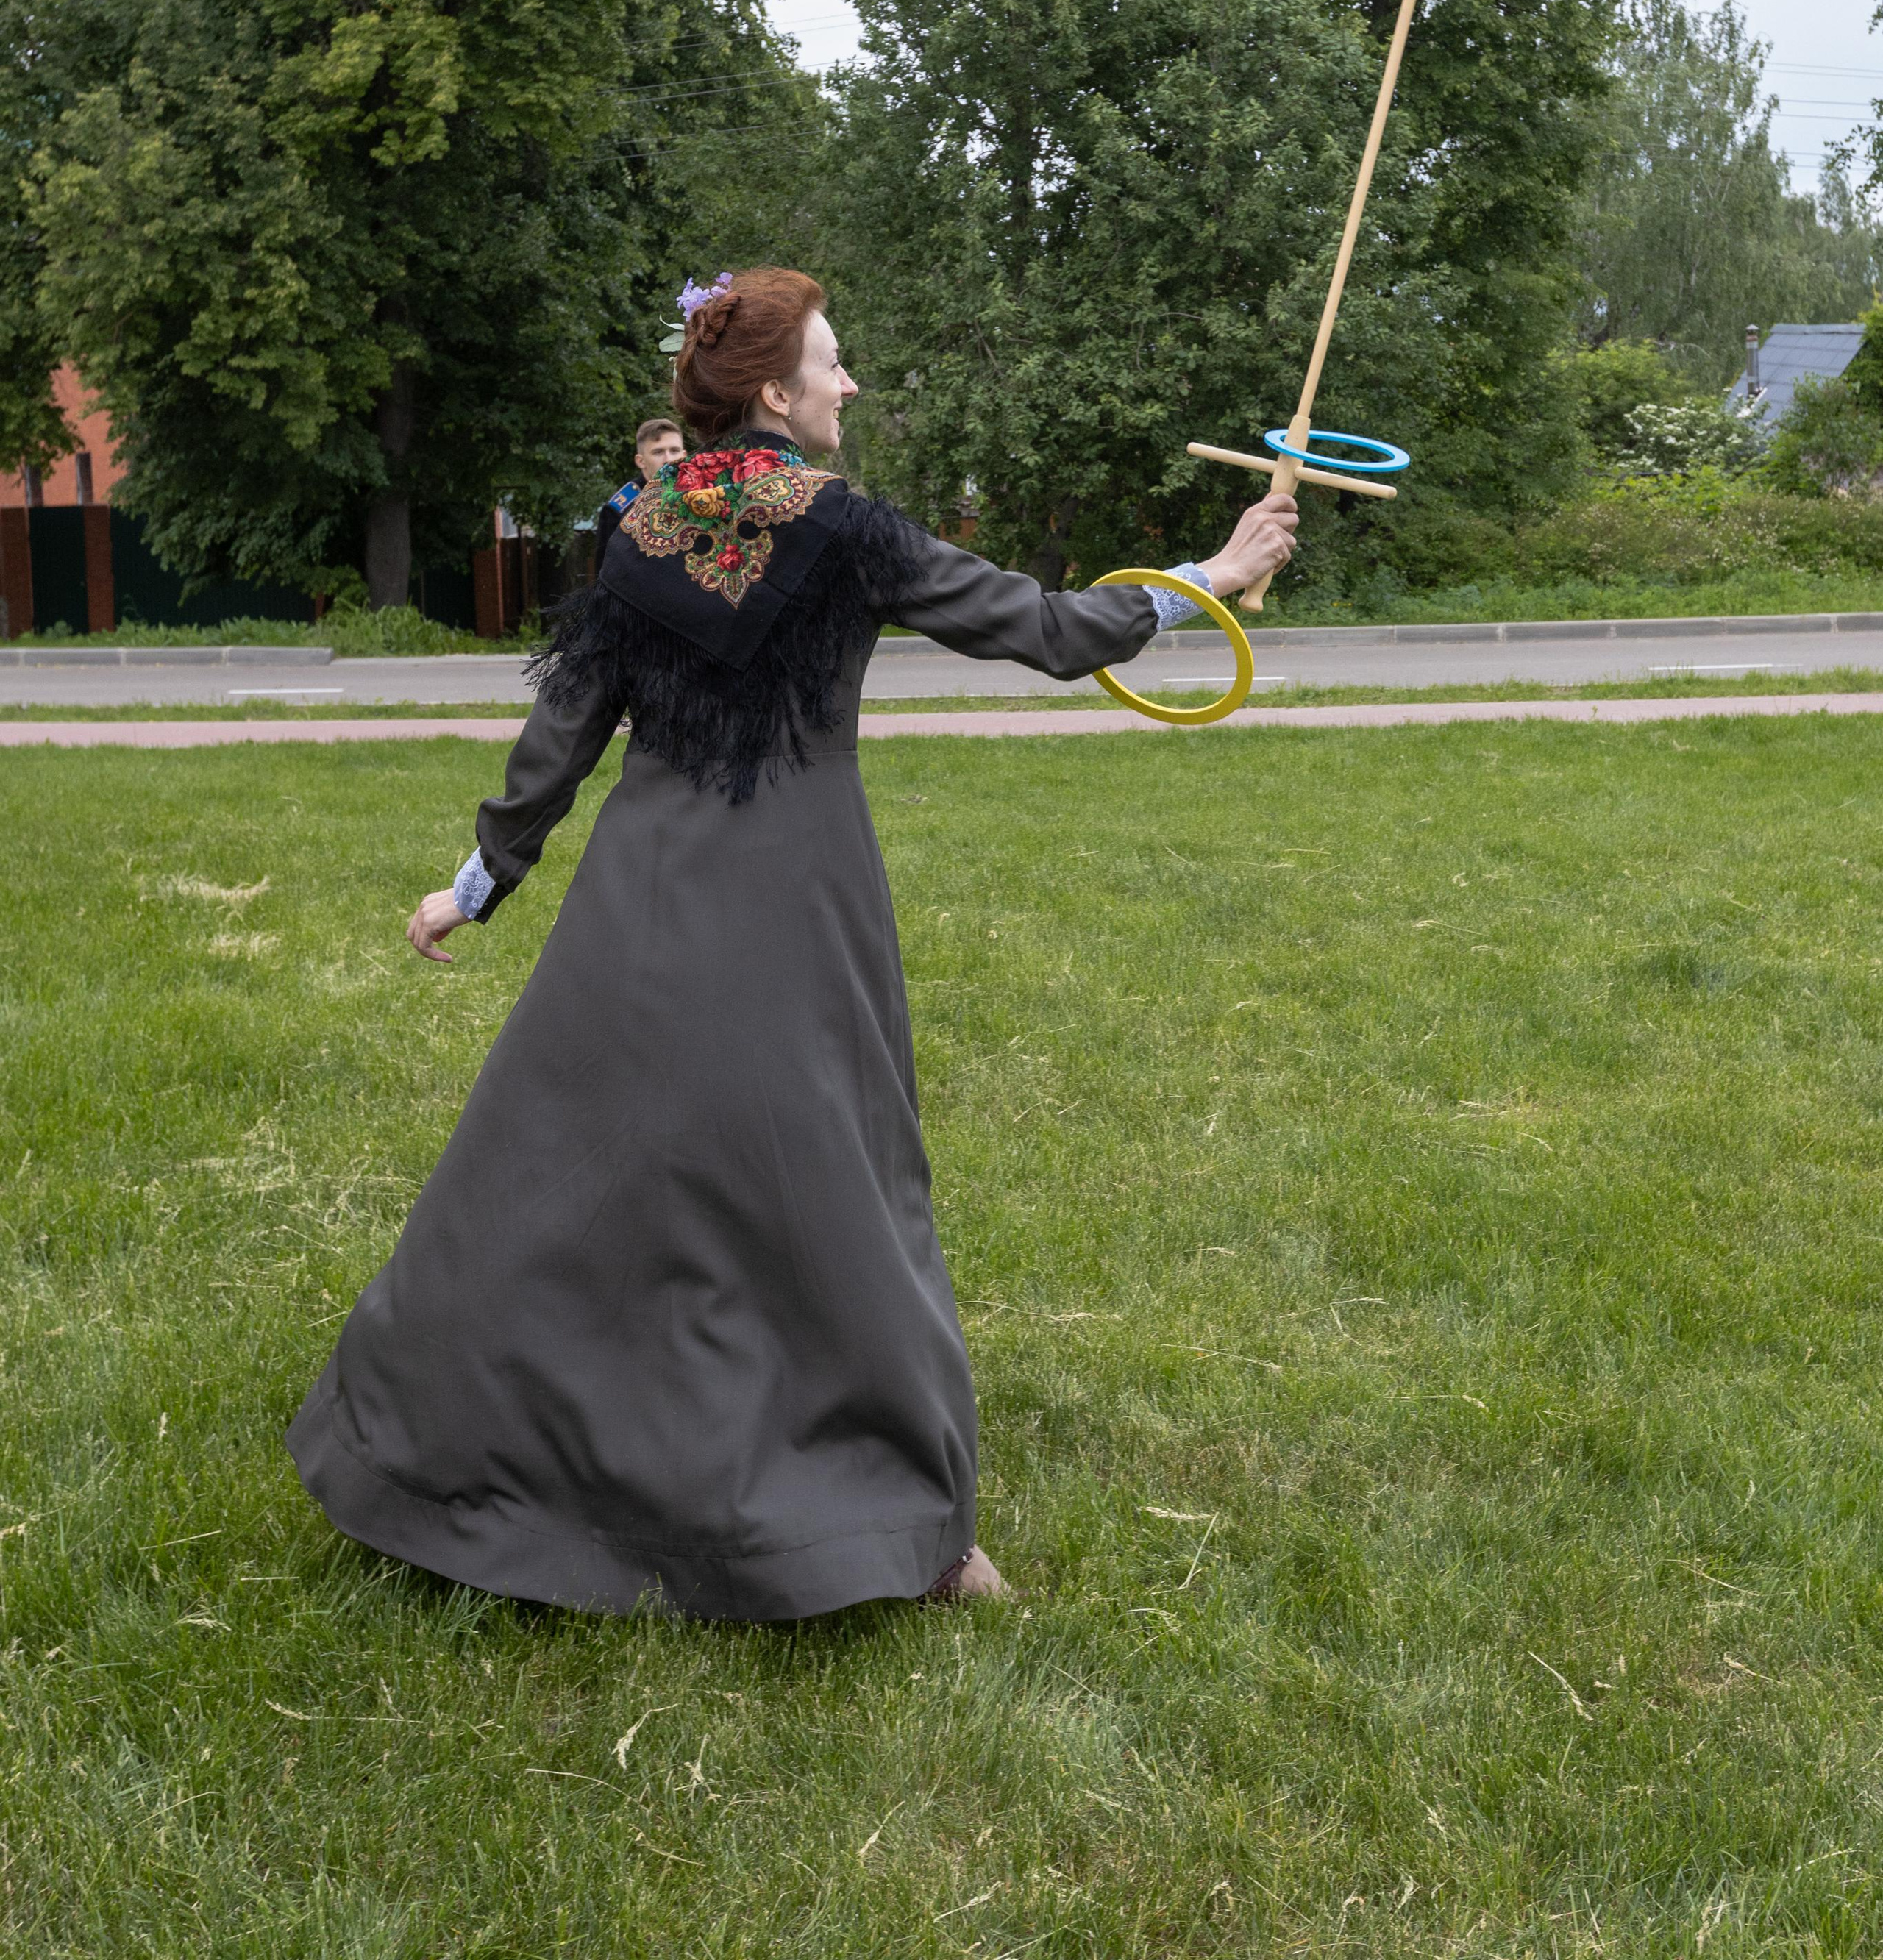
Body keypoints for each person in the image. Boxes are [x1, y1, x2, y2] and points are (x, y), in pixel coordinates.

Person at [288, 267, 1297, 1621]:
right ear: (774, 392)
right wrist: (1210, 579)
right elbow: (1048, 633)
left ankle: (459, 1470)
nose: (849, 383)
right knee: (845, 1200)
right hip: (795, 901)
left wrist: (477, 883)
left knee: (560, 1189)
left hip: (637, 912)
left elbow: (565, 733)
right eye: (833, 361)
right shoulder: (850, 530)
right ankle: (907, 1536)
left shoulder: (642, 527)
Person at [594, 416, 686, 550]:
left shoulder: (701, 497)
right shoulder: (619, 510)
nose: (669, 459)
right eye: (658, 452)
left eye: (674, 451)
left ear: (684, 456)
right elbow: (605, 568)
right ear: (640, 461)